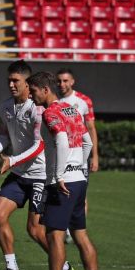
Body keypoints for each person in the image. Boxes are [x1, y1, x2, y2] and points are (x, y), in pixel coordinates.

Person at [0, 60, 73, 270]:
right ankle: (12, 269)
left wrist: (11, 160)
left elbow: (38, 146)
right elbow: (3, 135)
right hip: (18, 173)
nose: (11, 84)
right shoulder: (6, 106)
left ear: (28, 84)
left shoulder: (38, 109)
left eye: (15, 80)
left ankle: (64, 266)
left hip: (39, 175)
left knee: (35, 230)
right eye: (9, 80)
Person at [26, 71, 101, 270]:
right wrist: (82, 168)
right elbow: (86, 139)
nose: (31, 96)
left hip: (63, 183)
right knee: (81, 235)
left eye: (34, 91)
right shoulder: (72, 110)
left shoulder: (50, 112)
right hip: (79, 180)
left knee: (54, 235)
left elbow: (60, 139)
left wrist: (59, 175)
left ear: (45, 90)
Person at [56, 68, 98, 244]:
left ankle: (76, 229)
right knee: (59, 189)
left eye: (65, 81)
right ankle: (64, 227)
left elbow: (90, 128)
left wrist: (95, 156)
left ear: (72, 81)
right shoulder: (53, 101)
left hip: (79, 155)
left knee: (81, 192)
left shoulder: (83, 101)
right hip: (59, 154)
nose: (62, 84)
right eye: (59, 81)